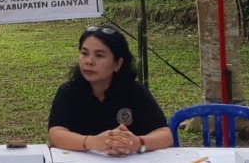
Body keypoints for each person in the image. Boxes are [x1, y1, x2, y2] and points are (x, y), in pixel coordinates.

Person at [47, 25, 172, 156]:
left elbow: (165, 135)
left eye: (99, 55)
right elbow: (56, 134)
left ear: (118, 64)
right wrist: (92, 142)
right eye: (84, 53)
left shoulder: (134, 91)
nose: (89, 61)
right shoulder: (69, 92)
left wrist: (137, 143)